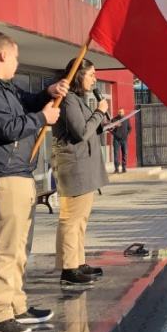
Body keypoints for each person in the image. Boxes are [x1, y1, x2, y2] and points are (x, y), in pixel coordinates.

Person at [0, 32, 66, 332]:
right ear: (2, 55)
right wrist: (43, 118)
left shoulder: (2, 87)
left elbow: (26, 100)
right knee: (2, 248)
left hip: (16, 173)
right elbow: (8, 128)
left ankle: (15, 307)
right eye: (17, 57)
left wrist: (48, 92)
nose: (18, 63)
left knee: (18, 248)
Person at [51, 59, 109, 287]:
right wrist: (98, 112)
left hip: (85, 168)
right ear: (79, 76)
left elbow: (88, 125)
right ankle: (68, 268)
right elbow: (80, 132)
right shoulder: (67, 101)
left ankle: (79, 261)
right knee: (71, 219)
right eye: (91, 75)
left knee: (81, 219)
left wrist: (101, 119)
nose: (95, 79)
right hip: (74, 168)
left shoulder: (78, 100)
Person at [111, 108, 131, 174]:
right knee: (116, 154)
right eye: (119, 112)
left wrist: (127, 134)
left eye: (121, 112)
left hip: (124, 140)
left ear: (124, 112)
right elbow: (110, 129)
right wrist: (115, 133)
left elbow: (129, 128)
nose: (120, 113)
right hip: (116, 140)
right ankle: (116, 168)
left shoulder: (126, 119)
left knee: (124, 153)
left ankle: (124, 168)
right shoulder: (114, 120)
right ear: (117, 112)